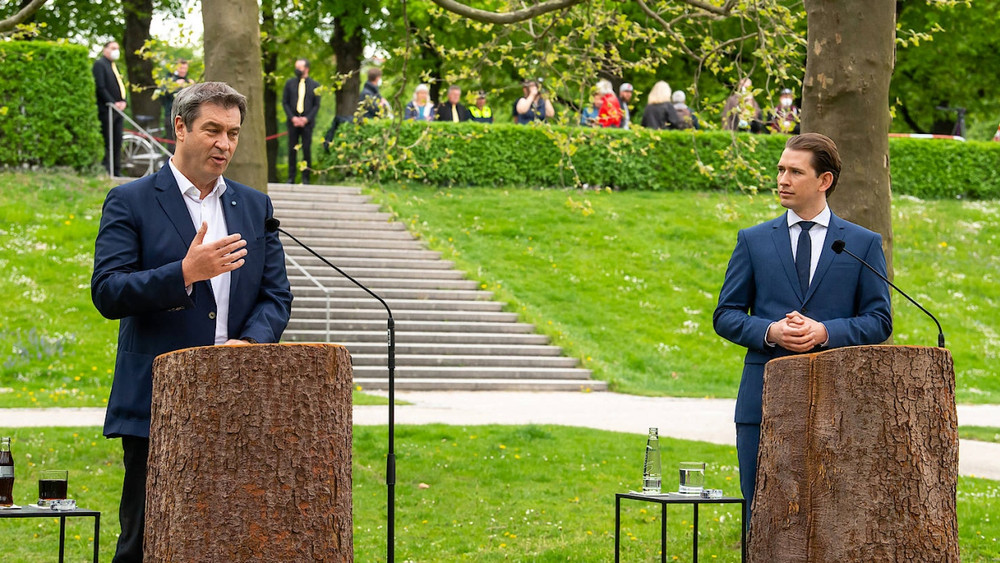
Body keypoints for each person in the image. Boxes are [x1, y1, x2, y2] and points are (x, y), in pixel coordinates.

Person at [91, 81, 293, 563]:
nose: (224, 144)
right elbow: (108, 291)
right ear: (180, 128)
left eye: (233, 133)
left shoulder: (253, 206)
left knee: (234, 537)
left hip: (239, 396)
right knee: (144, 540)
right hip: (158, 402)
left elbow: (275, 296)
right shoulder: (131, 200)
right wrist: (184, 273)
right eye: (213, 130)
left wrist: (250, 342)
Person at [713, 133, 892, 528]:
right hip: (762, 403)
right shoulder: (753, 240)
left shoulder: (861, 244)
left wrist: (825, 331)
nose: (782, 179)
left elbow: (879, 321)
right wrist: (771, 331)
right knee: (761, 515)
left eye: (795, 171)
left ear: (824, 180)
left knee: (832, 520)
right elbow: (725, 314)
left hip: (838, 405)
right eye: (780, 169)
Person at [282, 58, 321, 184]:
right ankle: (291, 177)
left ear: (306, 69)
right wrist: (292, 117)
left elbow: (316, 105)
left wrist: (306, 119)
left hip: (307, 123)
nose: (297, 70)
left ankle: (306, 178)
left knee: (306, 149)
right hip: (292, 122)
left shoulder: (315, 86)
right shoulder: (289, 84)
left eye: (299, 67)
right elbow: (285, 102)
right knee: (292, 149)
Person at [93, 40, 128, 176]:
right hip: (107, 109)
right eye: (113, 48)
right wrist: (113, 103)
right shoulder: (100, 65)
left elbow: (120, 86)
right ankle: (107, 169)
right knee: (108, 140)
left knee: (117, 140)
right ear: (105, 49)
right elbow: (100, 87)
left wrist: (123, 101)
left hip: (118, 110)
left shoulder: (114, 66)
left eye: (117, 48)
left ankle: (117, 170)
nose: (116, 51)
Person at [158, 59, 194, 141]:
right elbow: (162, 96)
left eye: (185, 68)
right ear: (176, 68)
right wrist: (175, 86)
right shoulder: (168, 80)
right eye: (181, 68)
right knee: (172, 144)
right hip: (171, 115)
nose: (183, 71)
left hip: (186, 116)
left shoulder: (188, 81)